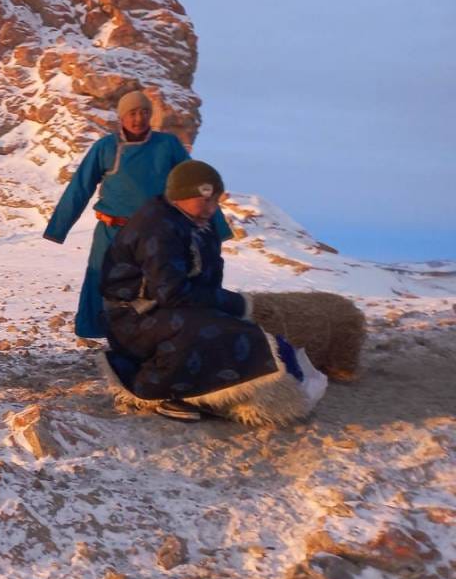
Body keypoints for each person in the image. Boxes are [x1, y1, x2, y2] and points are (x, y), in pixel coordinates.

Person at [99, 161, 323, 423]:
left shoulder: (196, 223)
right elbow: (170, 292)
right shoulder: (157, 228)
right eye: (204, 200)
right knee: (204, 332)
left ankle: (214, 394)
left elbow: (204, 283)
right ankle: (154, 390)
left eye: (215, 201)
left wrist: (226, 308)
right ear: (180, 195)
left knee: (238, 330)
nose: (211, 208)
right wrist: (235, 303)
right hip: (133, 318)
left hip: (167, 310)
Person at [43, 90, 229, 339]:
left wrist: (218, 228)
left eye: (144, 112)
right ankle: (94, 330)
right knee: (100, 276)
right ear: (121, 117)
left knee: (156, 283)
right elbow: (80, 186)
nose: (139, 118)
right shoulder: (105, 147)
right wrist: (58, 228)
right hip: (113, 230)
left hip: (157, 233)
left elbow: (195, 181)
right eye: (132, 113)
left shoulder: (168, 145)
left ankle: (152, 335)